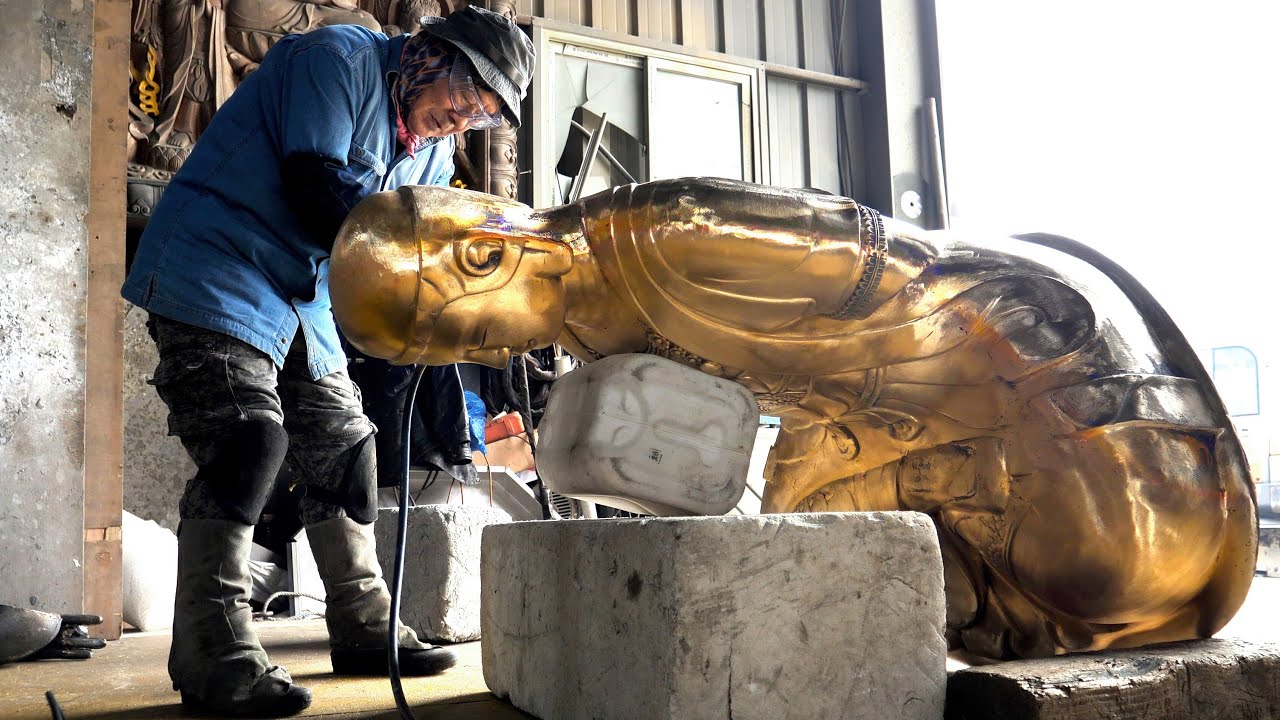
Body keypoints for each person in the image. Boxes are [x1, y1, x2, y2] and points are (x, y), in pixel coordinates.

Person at [328, 178, 1257, 662]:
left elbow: (909, 278)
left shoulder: (664, 233)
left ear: (490, 250)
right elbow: (787, 403)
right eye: (450, 354)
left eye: (463, 334)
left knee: (1098, 558)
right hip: (925, 438)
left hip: (1070, 410)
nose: (482, 355)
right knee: (802, 560)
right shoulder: (584, 329)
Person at [120, 7, 535, 716]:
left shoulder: (431, 153)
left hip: (299, 292)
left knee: (345, 447)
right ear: (431, 58)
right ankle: (211, 650)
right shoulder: (339, 59)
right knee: (247, 440)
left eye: (478, 118)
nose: (460, 122)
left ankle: (365, 623)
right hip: (217, 260)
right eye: (462, 100)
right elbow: (318, 190)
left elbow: (387, 246)